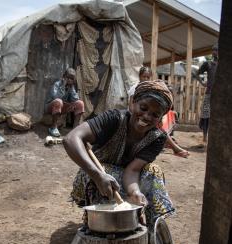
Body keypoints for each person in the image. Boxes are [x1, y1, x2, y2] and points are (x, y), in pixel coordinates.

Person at [63, 80, 175, 226]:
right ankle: (99, 221)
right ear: (133, 102)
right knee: (104, 171)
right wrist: (97, 175)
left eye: (155, 114)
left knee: (154, 171)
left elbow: (133, 170)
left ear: (160, 118)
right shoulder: (114, 119)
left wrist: (134, 192)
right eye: (143, 108)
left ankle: (151, 227)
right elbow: (71, 138)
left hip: (128, 178)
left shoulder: (157, 138)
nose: (147, 116)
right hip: (97, 175)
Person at [129, 67, 189, 158]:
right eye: (143, 77)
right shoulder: (135, 88)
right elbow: (131, 106)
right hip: (135, 115)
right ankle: (175, 148)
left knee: (158, 126)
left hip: (147, 115)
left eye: (148, 77)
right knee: (158, 128)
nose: (145, 79)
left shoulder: (151, 89)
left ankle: (173, 147)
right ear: (139, 76)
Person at [45, 68, 85, 137]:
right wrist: (63, 86)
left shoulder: (70, 86)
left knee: (80, 103)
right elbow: (56, 97)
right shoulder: (57, 84)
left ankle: (75, 130)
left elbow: (75, 99)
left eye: (72, 78)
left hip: (62, 106)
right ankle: (53, 127)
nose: (69, 80)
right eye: (68, 78)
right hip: (51, 107)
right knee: (58, 101)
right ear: (63, 77)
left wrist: (72, 88)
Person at [196, 43, 218, 147]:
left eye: (217, 50)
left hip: (220, 97)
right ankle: (205, 138)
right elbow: (197, 73)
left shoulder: (224, 65)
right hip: (209, 94)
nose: (215, 52)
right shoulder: (208, 64)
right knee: (206, 116)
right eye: (213, 50)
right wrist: (202, 82)